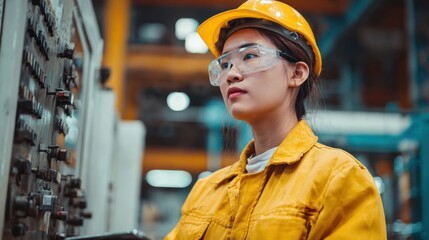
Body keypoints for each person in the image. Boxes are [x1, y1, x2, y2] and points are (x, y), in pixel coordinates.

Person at [165, 0, 387, 239]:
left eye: (249, 56)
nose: (231, 74)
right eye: (225, 64)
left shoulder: (339, 178)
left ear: (297, 73)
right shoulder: (205, 192)